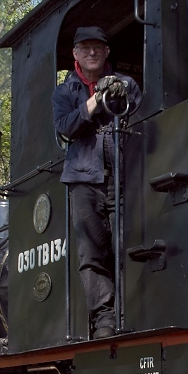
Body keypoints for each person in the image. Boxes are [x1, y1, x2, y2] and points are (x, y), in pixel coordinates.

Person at [51, 26, 142, 340]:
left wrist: (116, 94)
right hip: (83, 179)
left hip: (122, 174)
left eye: (98, 48)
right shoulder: (64, 92)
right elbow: (64, 128)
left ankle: (130, 310)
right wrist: (95, 102)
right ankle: (103, 320)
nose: (92, 52)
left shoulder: (125, 84)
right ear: (76, 54)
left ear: (106, 53)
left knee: (125, 246)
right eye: (85, 48)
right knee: (92, 254)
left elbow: (139, 109)